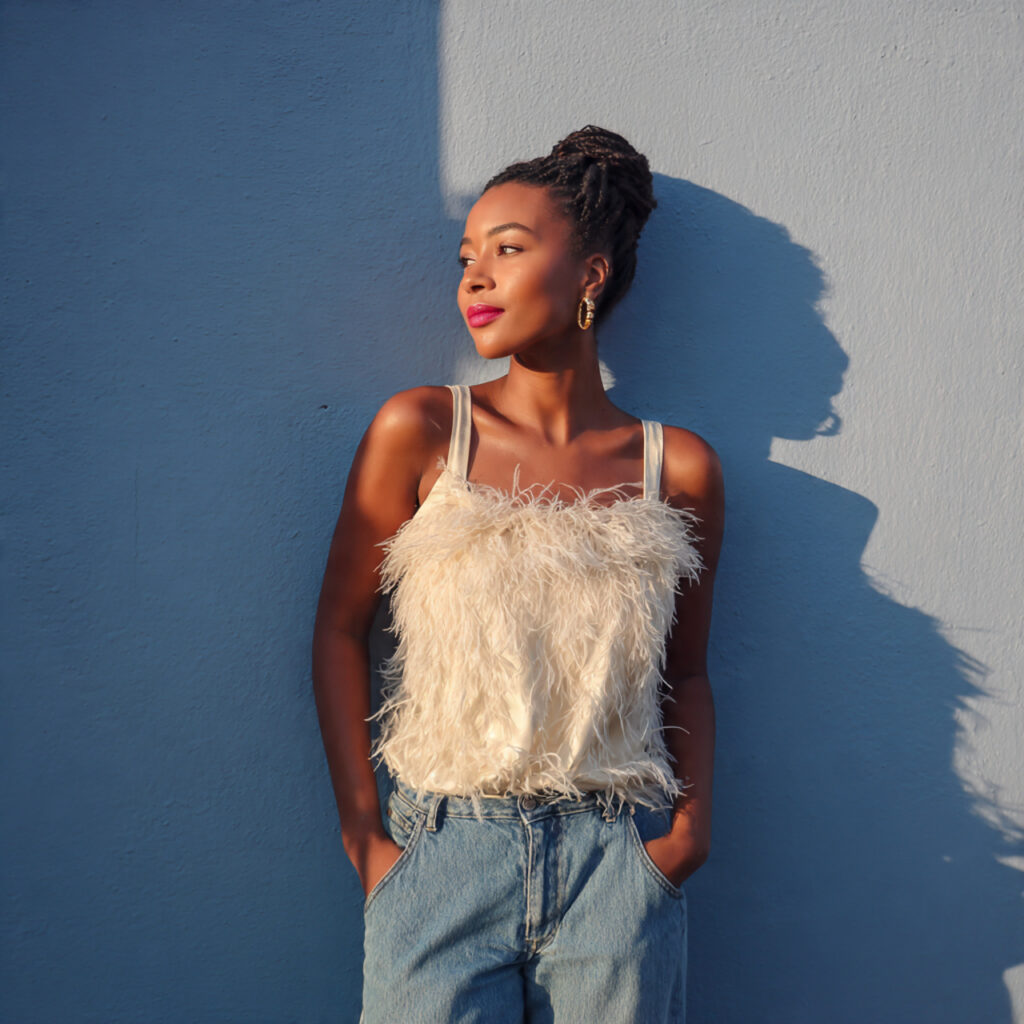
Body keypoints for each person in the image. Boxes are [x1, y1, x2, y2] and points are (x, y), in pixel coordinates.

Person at [312, 125, 724, 1023]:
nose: (475, 276)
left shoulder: (676, 467)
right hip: (442, 854)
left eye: (509, 248)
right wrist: (365, 837)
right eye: (468, 256)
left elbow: (685, 670)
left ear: (591, 274)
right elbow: (340, 628)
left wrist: (685, 838)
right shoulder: (421, 430)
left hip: (615, 863)